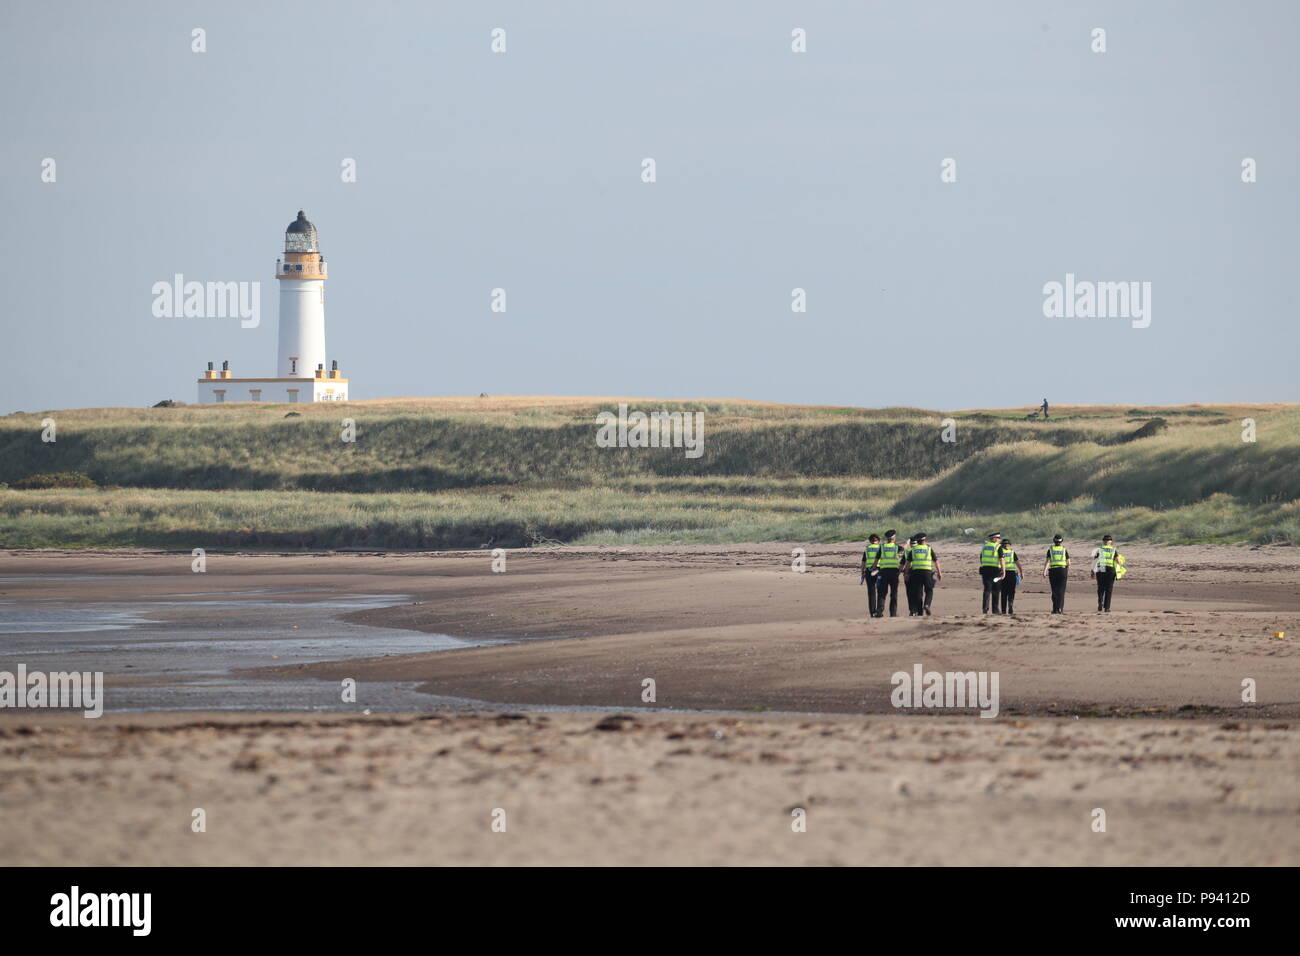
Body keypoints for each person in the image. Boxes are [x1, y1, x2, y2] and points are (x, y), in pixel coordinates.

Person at [903, 532, 941, 616]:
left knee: (918, 593)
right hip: (927, 572)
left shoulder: (913, 550)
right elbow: (936, 561)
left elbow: (908, 564)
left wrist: (906, 574)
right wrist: (939, 572)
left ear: (917, 540)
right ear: (924, 540)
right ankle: (927, 605)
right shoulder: (929, 548)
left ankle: (920, 613)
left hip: (916, 573)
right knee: (929, 590)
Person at [1090, 534, 1123, 612]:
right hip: (1110, 569)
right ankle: (1107, 607)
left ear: (1103, 541)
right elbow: (1118, 561)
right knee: (1109, 589)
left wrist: (1092, 571)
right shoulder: (1113, 550)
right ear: (1111, 542)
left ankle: (1100, 603)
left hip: (1101, 568)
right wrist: (1120, 565)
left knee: (1100, 588)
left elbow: (1094, 561)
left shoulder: (1099, 549)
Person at [874, 530, 903, 617]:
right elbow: (902, 555)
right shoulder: (897, 547)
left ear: (887, 539)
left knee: (882, 592)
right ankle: (893, 613)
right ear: (894, 538)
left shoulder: (882, 547)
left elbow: (876, 561)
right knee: (894, 593)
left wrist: (874, 568)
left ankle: (879, 611)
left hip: (883, 572)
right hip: (894, 572)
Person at [1042, 534, 1070, 613]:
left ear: (1054, 541)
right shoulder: (1064, 550)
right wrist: (1066, 570)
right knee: (1061, 591)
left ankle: (1055, 609)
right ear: (1061, 541)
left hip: (1053, 571)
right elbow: (1069, 563)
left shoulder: (1050, 550)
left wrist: (1044, 571)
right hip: (1062, 570)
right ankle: (1060, 608)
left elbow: (1047, 562)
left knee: (1054, 590)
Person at [996, 538, 1023, 615]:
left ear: (1002, 545)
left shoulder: (1000, 551)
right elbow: (1018, 563)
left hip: (1003, 574)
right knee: (1011, 592)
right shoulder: (1012, 552)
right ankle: (1010, 604)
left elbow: (999, 561)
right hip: (1012, 573)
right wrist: (1021, 572)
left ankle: (1004, 610)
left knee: (1004, 593)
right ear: (1009, 545)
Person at [979, 532, 1003, 614]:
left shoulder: (985, 546)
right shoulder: (998, 547)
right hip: (996, 570)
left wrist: (984, 565)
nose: (1000, 540)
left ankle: (985, 608)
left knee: (987, 589)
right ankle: (995, 609)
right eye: (999, 538)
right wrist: (1003, 570)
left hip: (985, 570)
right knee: (996, 590)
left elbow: (981, 557)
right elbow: (1001, 559)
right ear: (995, 539)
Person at [861, 534, 882, 618]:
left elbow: (863, 561)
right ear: (878, 541)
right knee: (881, 592)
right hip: (879, 570)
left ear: (870, 541)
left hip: (869, 571)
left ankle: (872, 612)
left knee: (871, 593)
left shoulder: (867, 548)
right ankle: (879, 611)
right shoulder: (881, 548)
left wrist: (862, 572)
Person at [903, 535, 919, 615]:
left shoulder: (907, 551)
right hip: (917, 572)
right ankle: (918, 610)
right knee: (918, 592)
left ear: (910, 543)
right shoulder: (919, 549)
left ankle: (912, 610)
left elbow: (902, 563)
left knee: (909, 593)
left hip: (908, 573)